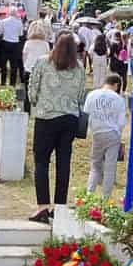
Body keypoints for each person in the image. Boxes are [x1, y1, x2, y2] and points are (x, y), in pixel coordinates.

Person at [27, 32, 87, 223]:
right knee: (64, 162)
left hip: (46, 117)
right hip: (69, 119)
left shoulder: (43, 62)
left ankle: (43, 206)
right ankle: (60, 206)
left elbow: (32, 89)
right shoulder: (79, 67)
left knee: (42, 162)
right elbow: (80, 95)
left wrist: (38, 102)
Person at [83, 73, 127, 201]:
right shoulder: (118, 99)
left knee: (95, 166)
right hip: (112, 133)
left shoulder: (92, 95)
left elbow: (86, 115)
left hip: (97, 133)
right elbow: (122, 121)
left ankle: (89, 194)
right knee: (110, 167)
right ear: (116, 85)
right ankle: (105, 198)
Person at [0, 8, 25, 87]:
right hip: (15, 44)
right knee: (14, 65)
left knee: (3, 64)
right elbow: (20, 34)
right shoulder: (19, 22)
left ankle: (3, 82)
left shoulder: (4, 21)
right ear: (16, 13)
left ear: (9, 13)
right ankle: (12, 84)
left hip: (5, 42)